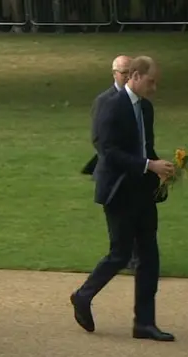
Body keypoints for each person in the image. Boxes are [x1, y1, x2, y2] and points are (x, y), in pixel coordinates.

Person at [71, 56, 176, 342]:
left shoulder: (146, 109)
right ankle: (83, 296)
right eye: (151, 81)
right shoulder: (110, 105)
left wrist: (161, 169)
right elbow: (108, 150)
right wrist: (147, 165)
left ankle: (144, 323)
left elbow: (146, 147)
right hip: (118, 190)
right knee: (120, 253)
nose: (154, 88)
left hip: (142, 190)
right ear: (136, 76)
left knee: (149, 257)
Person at [81, 55, 139, 271]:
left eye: (131, 73)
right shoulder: (104, 101)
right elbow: (99, 139)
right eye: (123, 73)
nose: (127, 77)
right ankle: (125, 258)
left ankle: (135, 257)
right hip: (115, 170)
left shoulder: (138, 99)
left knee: (136, 214)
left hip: (135, 166)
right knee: (120, 219)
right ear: (114, 74)